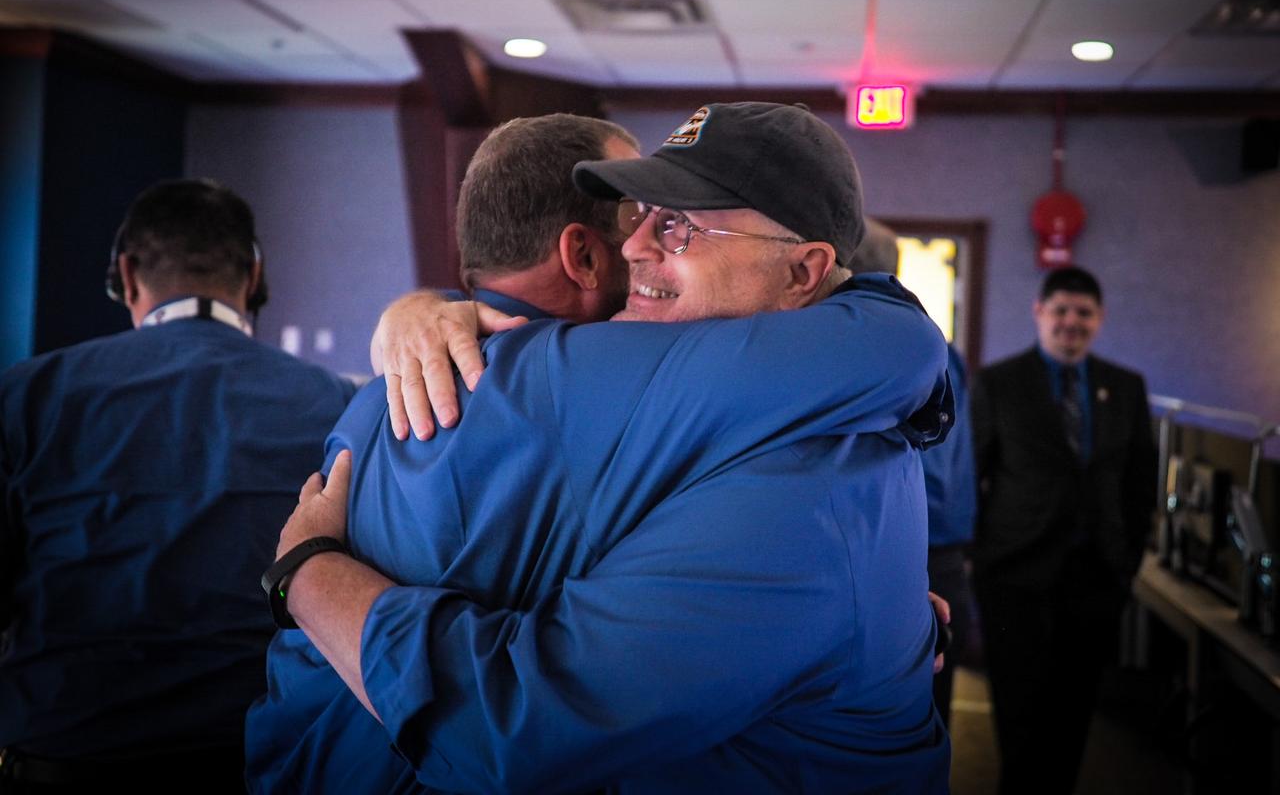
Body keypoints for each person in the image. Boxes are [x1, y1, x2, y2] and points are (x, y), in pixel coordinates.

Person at [248, 103, 953, 794]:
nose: (636, 246)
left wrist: (305, 572)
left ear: (802, 273)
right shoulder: (723, 418)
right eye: (640, 215)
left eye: (679, 226)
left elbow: (510, 728)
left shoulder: (807, 494)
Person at [0, 180, 355, 793]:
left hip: (64, 758)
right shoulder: (338, 404)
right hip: (265, 764)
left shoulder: (28, 395)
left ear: (125, 275)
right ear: (254, 277)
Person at [970, 265, 1156, 795]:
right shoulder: (999, 382)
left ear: (1100, 319)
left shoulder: (1125, 387)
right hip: (1014, 575)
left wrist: (1128, 561)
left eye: (1084, 312)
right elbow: (972, 473)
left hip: (1096, 578)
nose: (1072, 321)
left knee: (1074, 714)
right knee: (1019, 713)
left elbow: (1140, 480)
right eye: (1061, 310)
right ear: (1039, 312)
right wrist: (977, 555)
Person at [848, 218, 977, 726]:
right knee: (925, 724)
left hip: (905, 557)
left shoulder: (873, 353)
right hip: (944, 556)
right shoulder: (935, 347)